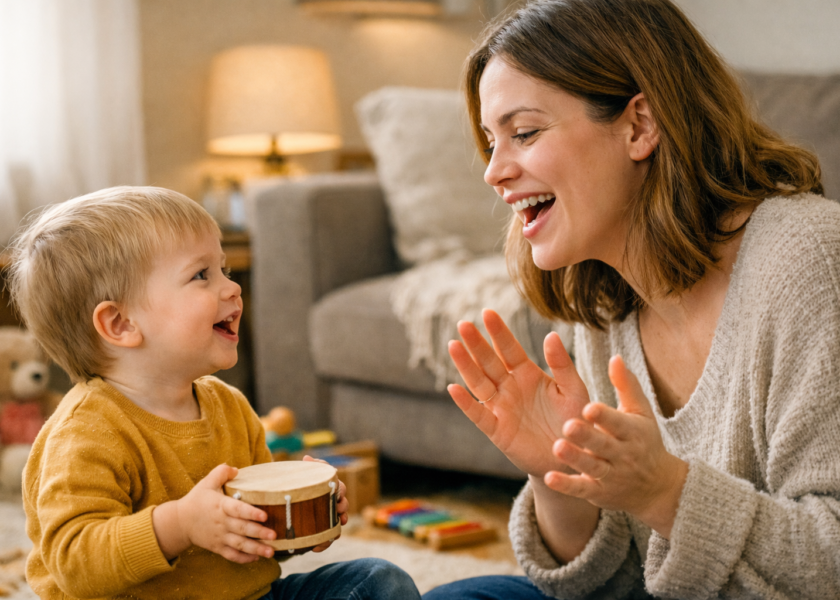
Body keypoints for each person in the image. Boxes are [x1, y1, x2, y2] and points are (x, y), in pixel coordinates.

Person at [423, 0, 840, 598]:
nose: (494, 171)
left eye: (524, 133)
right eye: (491, 142)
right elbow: (614, 583)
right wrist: (559, 477)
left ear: (639, 125)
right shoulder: (604, 299)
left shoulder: (808, 258)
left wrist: (665, 491)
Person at [5, 186, 421, 600]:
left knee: (380, 581)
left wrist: (300, 519)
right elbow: (76, 563)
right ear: (120, 324)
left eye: (223, 268)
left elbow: (252, 540)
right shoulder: (84, 433)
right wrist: (181, 524)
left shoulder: (229, 406)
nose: (232, 287)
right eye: (202, 275)